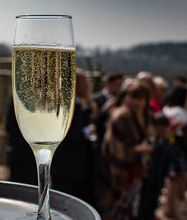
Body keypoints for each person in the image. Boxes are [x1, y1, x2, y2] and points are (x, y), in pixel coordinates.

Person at [96, 83, 152, 220]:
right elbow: (115, 146)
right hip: (116, 170)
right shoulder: (121, 116)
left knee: (128, 208)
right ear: (126, 97)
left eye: (140, 98)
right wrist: (138, 149)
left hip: (135, 172)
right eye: (133, 97)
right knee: (111, 209)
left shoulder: (145, 117)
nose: (136, 102)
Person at [52, 69, 96, 205]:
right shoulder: (67, 104)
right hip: (66, 165)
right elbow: (66, 133)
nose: (88, 85)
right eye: (85, 81)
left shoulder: (81, 103)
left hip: (75, 165)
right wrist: (86, 132)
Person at [162, 86, 187, 218]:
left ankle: (169, 206)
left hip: (168, 146)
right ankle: (172, 207)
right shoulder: (180, 112)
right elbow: (173, 130)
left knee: (171, 177)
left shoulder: (167, 108)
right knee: (176, 177)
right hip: (176, 147)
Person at [138, 113, 172, 220]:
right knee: (144, 201)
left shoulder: (169, 140)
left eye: (164, 126)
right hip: (147, 177)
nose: (162, 129)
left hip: (159, 177)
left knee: (153, 201)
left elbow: (170, 157)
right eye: (159, 126)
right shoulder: (150, 141)